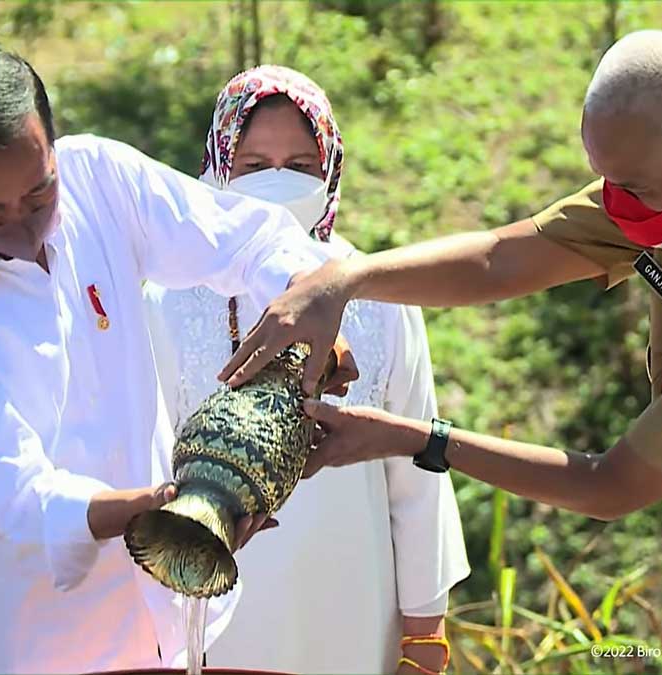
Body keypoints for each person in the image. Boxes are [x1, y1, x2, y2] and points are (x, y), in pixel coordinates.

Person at [220, 31, 662, 674]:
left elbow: (611, 484)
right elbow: (501, 260)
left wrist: (411, 438)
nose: (616, 209)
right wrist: (343, 279)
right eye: (605, 181)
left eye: (630, 190)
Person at [0, 43, 343, 674]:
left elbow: (246, 239)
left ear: (52, 143)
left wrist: (304, 307)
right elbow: (17, 492)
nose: (22, 223)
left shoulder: (98, 177)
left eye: (39, 193)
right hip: (45, 629)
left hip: (174, 608)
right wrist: (155, 511)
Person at [143, 65, 470, 675]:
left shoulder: (381, 299)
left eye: (299, 166)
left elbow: (418, 475)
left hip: (354, 600)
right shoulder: (167, 298)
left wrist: (424, 641)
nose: (277, 183)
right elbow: (144, 467)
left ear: (331, 171)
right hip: (211, 607)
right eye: (253, 165)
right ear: (218, 166)